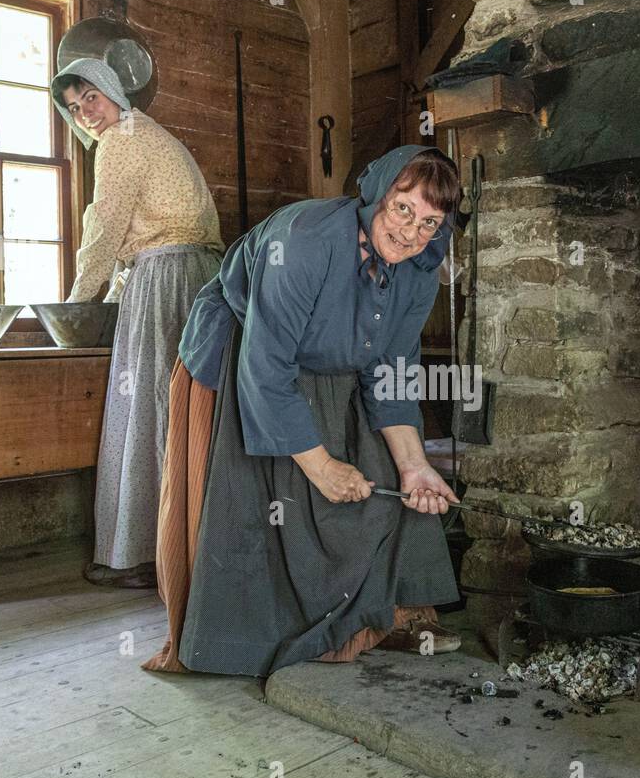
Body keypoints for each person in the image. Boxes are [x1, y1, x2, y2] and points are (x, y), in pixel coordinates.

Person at [143, 145, 463, 675]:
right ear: (378, 196)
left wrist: (414, 465)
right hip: (241, 350)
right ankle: (239, 638)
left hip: (335, 359)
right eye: (403, 209)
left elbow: (391, 373)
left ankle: (386, 615)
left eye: (430, 222)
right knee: (257, 488)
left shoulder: (419, 269)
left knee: (385, 469)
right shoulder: (305, 241)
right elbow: (266, 369)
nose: (411, 233)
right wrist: (320, 466)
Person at [50, 58, 225, 588]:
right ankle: (186, 549)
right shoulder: (146, 132)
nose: (86, 115)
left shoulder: (122, 139)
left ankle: (143, 557)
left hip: (166, 277)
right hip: (197, 275)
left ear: (112, 93)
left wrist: (79, 302)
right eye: (75, 110)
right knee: (181, 409)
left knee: (146, 407)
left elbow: (105, 227)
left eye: (92, 101)